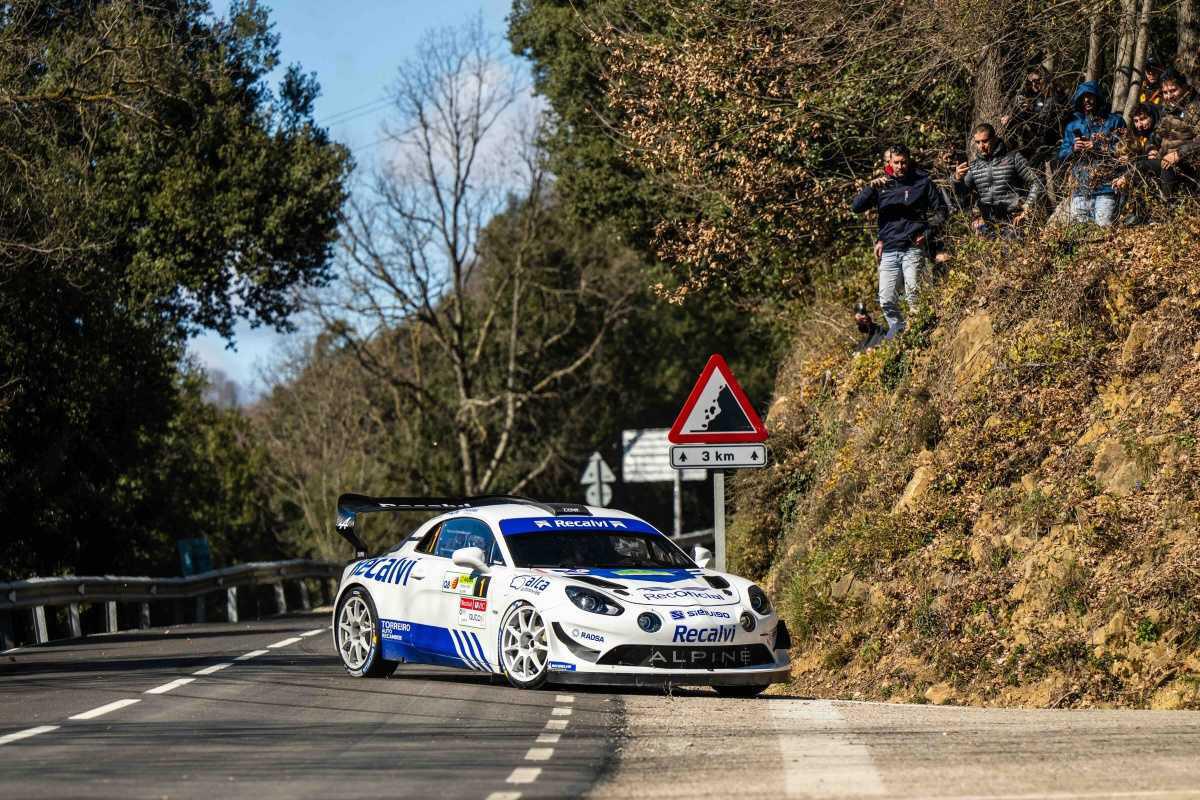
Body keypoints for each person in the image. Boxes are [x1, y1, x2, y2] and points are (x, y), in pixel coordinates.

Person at [851, 144, 947, 339]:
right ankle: (900, 333)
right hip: (889, 250)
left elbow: (942, 211)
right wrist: (870, 188)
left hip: (913, 246)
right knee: (886, 300)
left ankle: (921, 333)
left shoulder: (922, 181)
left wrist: (927, 233)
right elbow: (856, 207)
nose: (900, 166)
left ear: (908, 161)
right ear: (890, 162)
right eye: (896, 163)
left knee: (913, 295)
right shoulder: (881, 185)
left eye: (903, 162)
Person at [954, 123, 1042, 237]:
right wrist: (956, 179)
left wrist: (1027, 210)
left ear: (994, 139)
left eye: (985, 141)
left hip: (1014, 222)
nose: (981, 146)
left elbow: (1036, 182)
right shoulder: (974, 166)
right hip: (987, 225)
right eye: (977, 142)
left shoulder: (1013, 158)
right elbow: (962, 195)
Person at [1058, 81, 1126, 226]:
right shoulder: (1072, 126)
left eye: (1090, 96)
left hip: (1107, 187)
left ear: (1098, 97)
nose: (1086, 100)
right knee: (1080, 231)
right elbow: (1061, 155)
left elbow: (1125, 151)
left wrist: (1097, 146)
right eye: (1083, 97)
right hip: (1081, 188)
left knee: (1103, 228)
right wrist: (1074, 148)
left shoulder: (1115, 121)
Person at [1004, 67, 1069, 164]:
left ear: (1045, 79)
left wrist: (1027, 112)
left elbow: (1042, 125)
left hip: (1053, 146)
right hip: (1039, 144)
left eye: (1036, 81)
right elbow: (1033, 118)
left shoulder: (1056, 97)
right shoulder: (1039, 96)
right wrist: (1013, 117)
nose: (1034, 84)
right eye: (1031, 81)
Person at [1155, 69, 1200, 195]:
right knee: (1140, 166)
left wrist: (1179, 154)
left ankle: (1167, 205)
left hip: (1189, 162)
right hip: (1164, 158)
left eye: (1173, 90)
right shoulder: (1167, 109)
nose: (1169, 96)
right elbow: (1156, 136)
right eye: (1165, 92)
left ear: (1184, 87)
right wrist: (1151, 148)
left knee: (1168, 169)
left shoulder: (1196, 106)